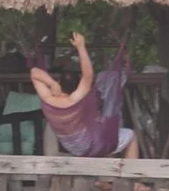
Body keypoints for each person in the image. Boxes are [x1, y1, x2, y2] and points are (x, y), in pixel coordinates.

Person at [30, 30, 138, 159]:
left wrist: (51, 83)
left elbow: (34, 72)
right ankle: (133, 172)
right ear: (77, 86)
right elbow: (88, 76)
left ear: (59, 82)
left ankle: (102, 170)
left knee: (100, 129)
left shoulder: (48, 99)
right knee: (131, 136)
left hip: (71, 146)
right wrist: (81, 47)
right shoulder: (75, 100)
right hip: (89, 144)